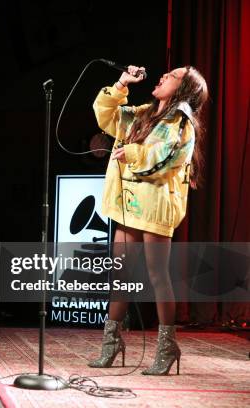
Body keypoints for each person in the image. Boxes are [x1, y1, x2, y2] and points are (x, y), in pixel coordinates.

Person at [88, 65, 208, 375]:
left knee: (157, 277)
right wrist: (121, 84)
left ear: (184, 89)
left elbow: (167, 157)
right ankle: (111, 344)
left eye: (174, 76)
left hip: (155, 207)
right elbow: (107, 116)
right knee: (121, 275)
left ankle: (167, 347)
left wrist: (134, 154)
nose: (164, 76)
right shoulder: (142, 114)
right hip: (128, 204)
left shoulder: (182, 125)